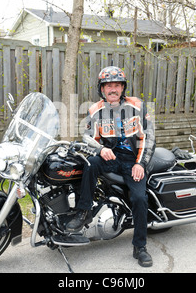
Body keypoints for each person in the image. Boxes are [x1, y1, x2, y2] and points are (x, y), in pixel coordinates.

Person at [66, 66, 156, 267]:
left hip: (134, 159)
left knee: (140, 198)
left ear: (123, 88)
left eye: (117, 85)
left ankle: (140, 247)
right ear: (102, 89)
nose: (113, 89)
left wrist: (140, 164)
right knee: (90, 164)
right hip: (112, 156)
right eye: (108, 86)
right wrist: (99, 149)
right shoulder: (95, 110)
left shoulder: (138, 105)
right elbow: (86, 136)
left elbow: (148, 138)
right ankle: (83, 211)